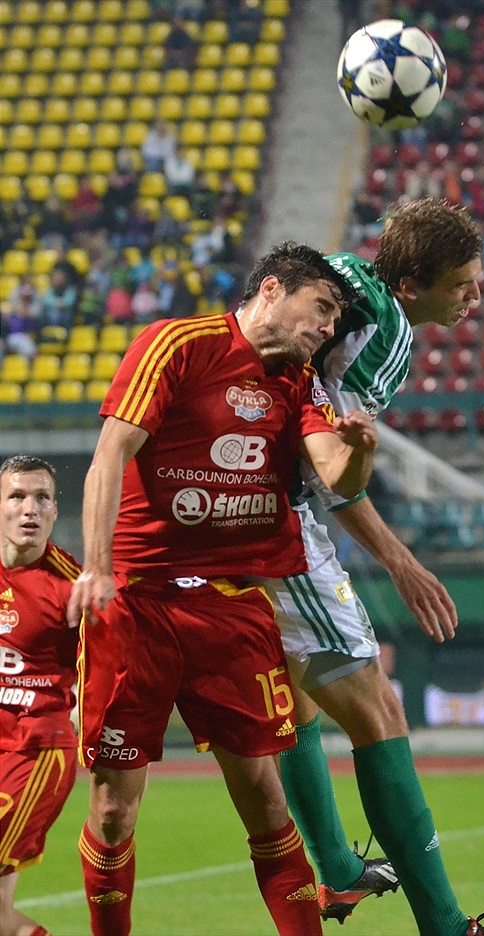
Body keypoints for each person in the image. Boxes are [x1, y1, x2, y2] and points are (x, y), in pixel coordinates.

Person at [65, 242, 378, 936]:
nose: (328, 327)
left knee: (266, 799)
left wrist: (359, 453)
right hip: (136, 604)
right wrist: (96, 566)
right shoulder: (176, 344)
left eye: (334, 319)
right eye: (322, 307)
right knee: (114, 811)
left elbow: (336, 476)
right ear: (272, 288)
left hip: (228, 605)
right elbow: (110, 453)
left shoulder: (299, 382)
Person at [257, 199, 484, 936]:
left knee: (295, 698)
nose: (475, 299)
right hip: (276, 520)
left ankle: (334, 870)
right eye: (462, 285)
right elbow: (327, 467)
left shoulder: (336, 275)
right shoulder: (388, 334)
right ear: (415, 281)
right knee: (379, 712)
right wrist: (401, 562)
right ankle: (445, 924)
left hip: (222, 496)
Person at [0, 455, 81, 936]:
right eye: (16, 496)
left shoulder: (73, 590)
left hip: (35, 752)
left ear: (54, 512)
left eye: (41, 498)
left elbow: (110, 675)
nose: (29, 509)